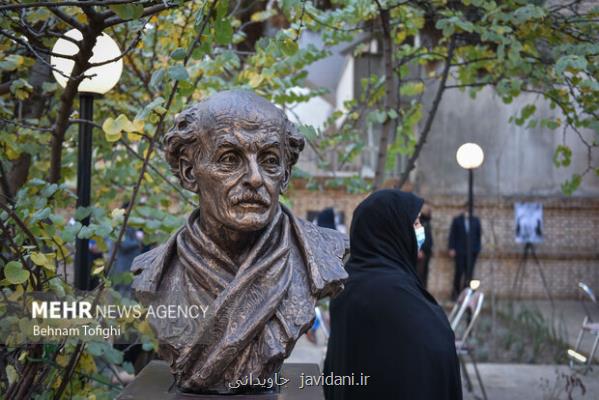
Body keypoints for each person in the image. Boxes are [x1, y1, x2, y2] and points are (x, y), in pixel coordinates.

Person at [324, 190, 462, 400]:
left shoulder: (352, 281)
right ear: (391, 229)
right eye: (415, 223)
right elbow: (429, 354)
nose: (421, 229)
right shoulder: (388, 292)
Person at [448, 204, 482, 300]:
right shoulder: (457, 220)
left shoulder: (475, 221)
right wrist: (451, 248)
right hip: (459, 251)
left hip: (471, 252)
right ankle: (455, 294)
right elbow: (452, 235)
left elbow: (478, 236)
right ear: (463, 209)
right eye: (466, 209)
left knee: (469, 274)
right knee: (458, 273)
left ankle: (467, 295)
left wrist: (477, 249)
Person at [416, 203, 433, 288]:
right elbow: (420, 236)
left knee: (424, 273)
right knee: (420, 274)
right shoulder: (420, 221)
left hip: (426, 252)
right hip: (421, 252)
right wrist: (420, 250)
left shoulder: (427, 221)